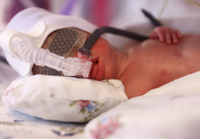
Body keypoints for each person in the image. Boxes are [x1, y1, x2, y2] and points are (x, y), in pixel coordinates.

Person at [31, 23, 200, 99]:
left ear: (90, 31)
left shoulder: (133, 42)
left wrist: (164, 32)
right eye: (65, 73)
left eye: (72, 42)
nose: (80, 63)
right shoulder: (128, 92)